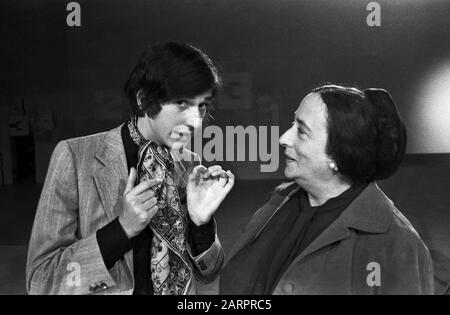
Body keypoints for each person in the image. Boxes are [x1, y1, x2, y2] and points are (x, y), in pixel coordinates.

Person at [26, 42, 234, 295]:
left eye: (201, 106)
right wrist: (121, 230)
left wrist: (201, 225)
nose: (195, 122)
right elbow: (41, 281)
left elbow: (209, 273)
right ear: (144, 100)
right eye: (182, 104)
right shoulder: (74, 157)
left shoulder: (190, 164)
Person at [220, 84, 434, 295]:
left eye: (301, 131)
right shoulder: (282, 198)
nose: (283, 138)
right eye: (291, 124)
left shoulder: (399, 247)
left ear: (338, 155)